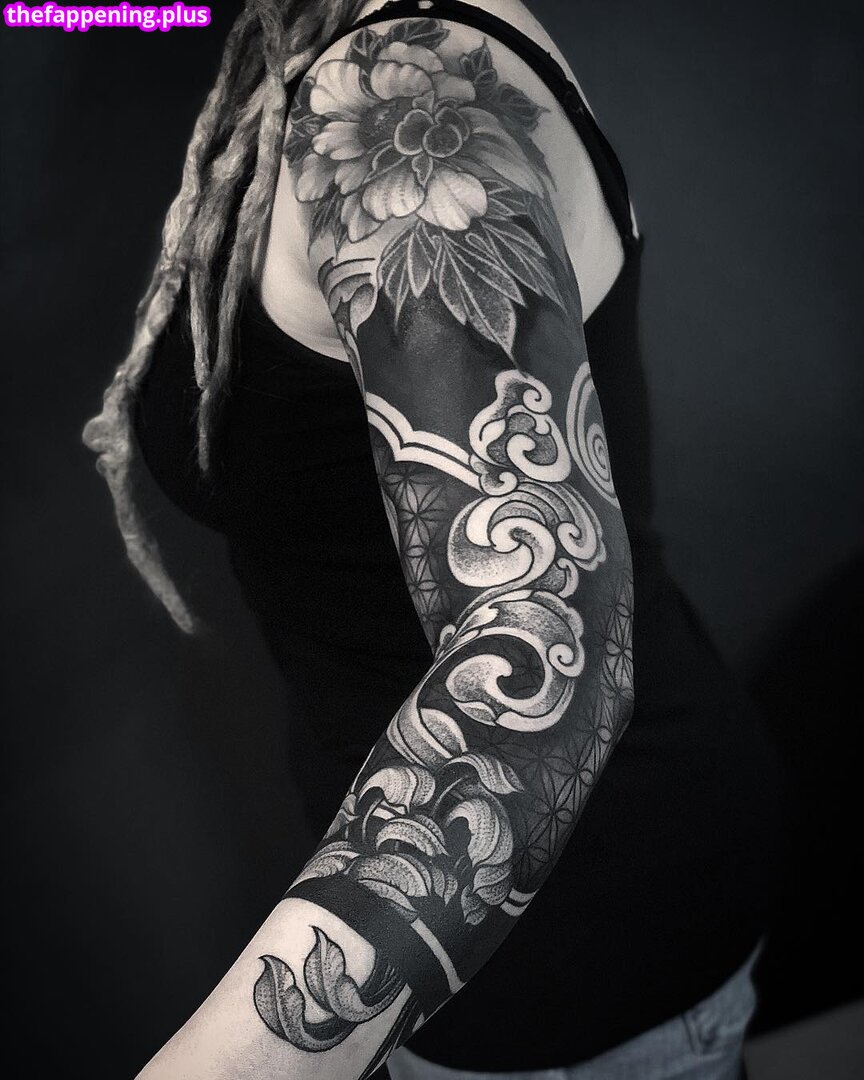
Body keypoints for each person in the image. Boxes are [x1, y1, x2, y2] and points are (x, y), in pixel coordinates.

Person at [82, 1, 784, 1077]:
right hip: (469, 935)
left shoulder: (408, 89)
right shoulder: (302, 48)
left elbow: (543, 654)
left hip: (584, 944)